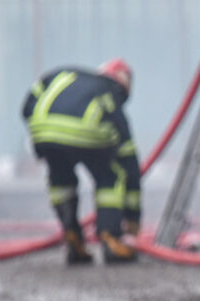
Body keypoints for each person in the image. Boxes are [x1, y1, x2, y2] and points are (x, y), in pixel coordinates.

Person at [21, 59, 142, 265]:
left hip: (43, 128)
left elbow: (28, 103)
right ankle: (110, 238)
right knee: (110, 177)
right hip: (87, 131)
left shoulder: (63, 74)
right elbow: (129, 162)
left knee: (61, 177)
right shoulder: (109, 90)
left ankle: (71, 233)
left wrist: (41, 131)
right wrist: (132, 218)